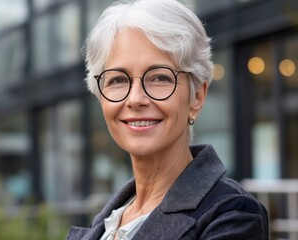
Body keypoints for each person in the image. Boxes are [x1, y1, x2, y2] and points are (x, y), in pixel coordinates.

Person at [66, 0, 269, 239]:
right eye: (118, 80)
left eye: (160, 78)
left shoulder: (232, 215)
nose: (135, 99)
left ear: (197, 96)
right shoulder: (109, 221)